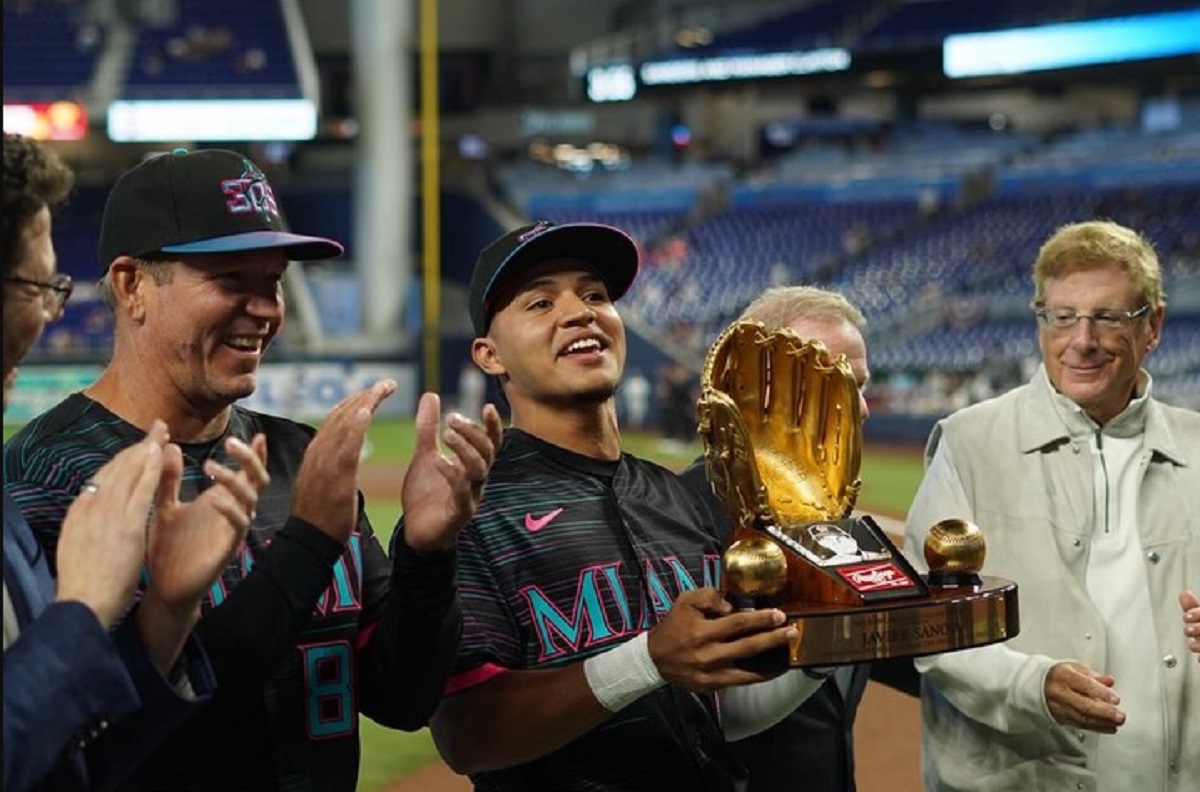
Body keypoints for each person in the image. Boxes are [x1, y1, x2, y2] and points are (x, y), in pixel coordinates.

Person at [4, 147, 503, 791]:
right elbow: (99, 754)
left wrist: (426, 555)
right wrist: (307, 545)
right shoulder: (41, 479)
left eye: (273, 281)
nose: (265, 308)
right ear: (131, 286)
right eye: (231, 279)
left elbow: (401, 699)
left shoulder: (301, 460)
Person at [429, 220, 831, 792]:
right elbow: (467, 734)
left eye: (595, 295)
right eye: (541, 302)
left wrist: (825, 648)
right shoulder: (471, 512)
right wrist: (644, 661)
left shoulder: (672, 497)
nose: (580, 311)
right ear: (489, 355)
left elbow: (714, 719)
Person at [3, 133, 266, 790]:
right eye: (39, 286)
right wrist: (84, 610)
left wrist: (163, 618)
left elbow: (71, 760)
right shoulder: (37, 473)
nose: (47, 317)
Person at [903, 219, 1200, 792]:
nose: (1081, 340)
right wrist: (1031, 686)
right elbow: (929, 626)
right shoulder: (969, 444)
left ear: (1154, 325)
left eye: (1108, 317)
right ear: (1041, 320)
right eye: (1062, 317)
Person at [678, 285, 918, 792]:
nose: (863, 408)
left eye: (861, 385)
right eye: (833, 384)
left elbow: (901, 652)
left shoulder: (839, 524)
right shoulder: (672, 519)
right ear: (756, 390)